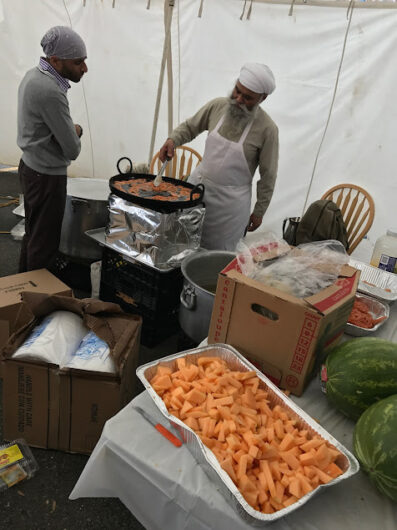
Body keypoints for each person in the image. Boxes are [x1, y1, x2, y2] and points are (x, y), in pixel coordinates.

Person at [159, 63, 279, 251]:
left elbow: (268, 175)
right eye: (237, 91)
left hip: (229, 209)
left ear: (262, 99)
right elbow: (191, 127)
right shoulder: (218, 106)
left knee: (215, 259)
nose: (238, 99)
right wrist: (173, 140)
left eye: (247, 97)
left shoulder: (267, 130)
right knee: (181, 244)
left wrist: (259, 211)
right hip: (196, 192)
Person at [17, 26, 88, 272]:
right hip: (46, 176)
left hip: (31, 167)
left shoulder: (33, 76)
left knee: (33, 235)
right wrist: (76, 130)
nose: (84, 68)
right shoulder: (49, 90)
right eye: (78, 62)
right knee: (44, 245)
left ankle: (21, 294)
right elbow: (72, 149)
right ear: (56, 60)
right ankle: (36, 302)